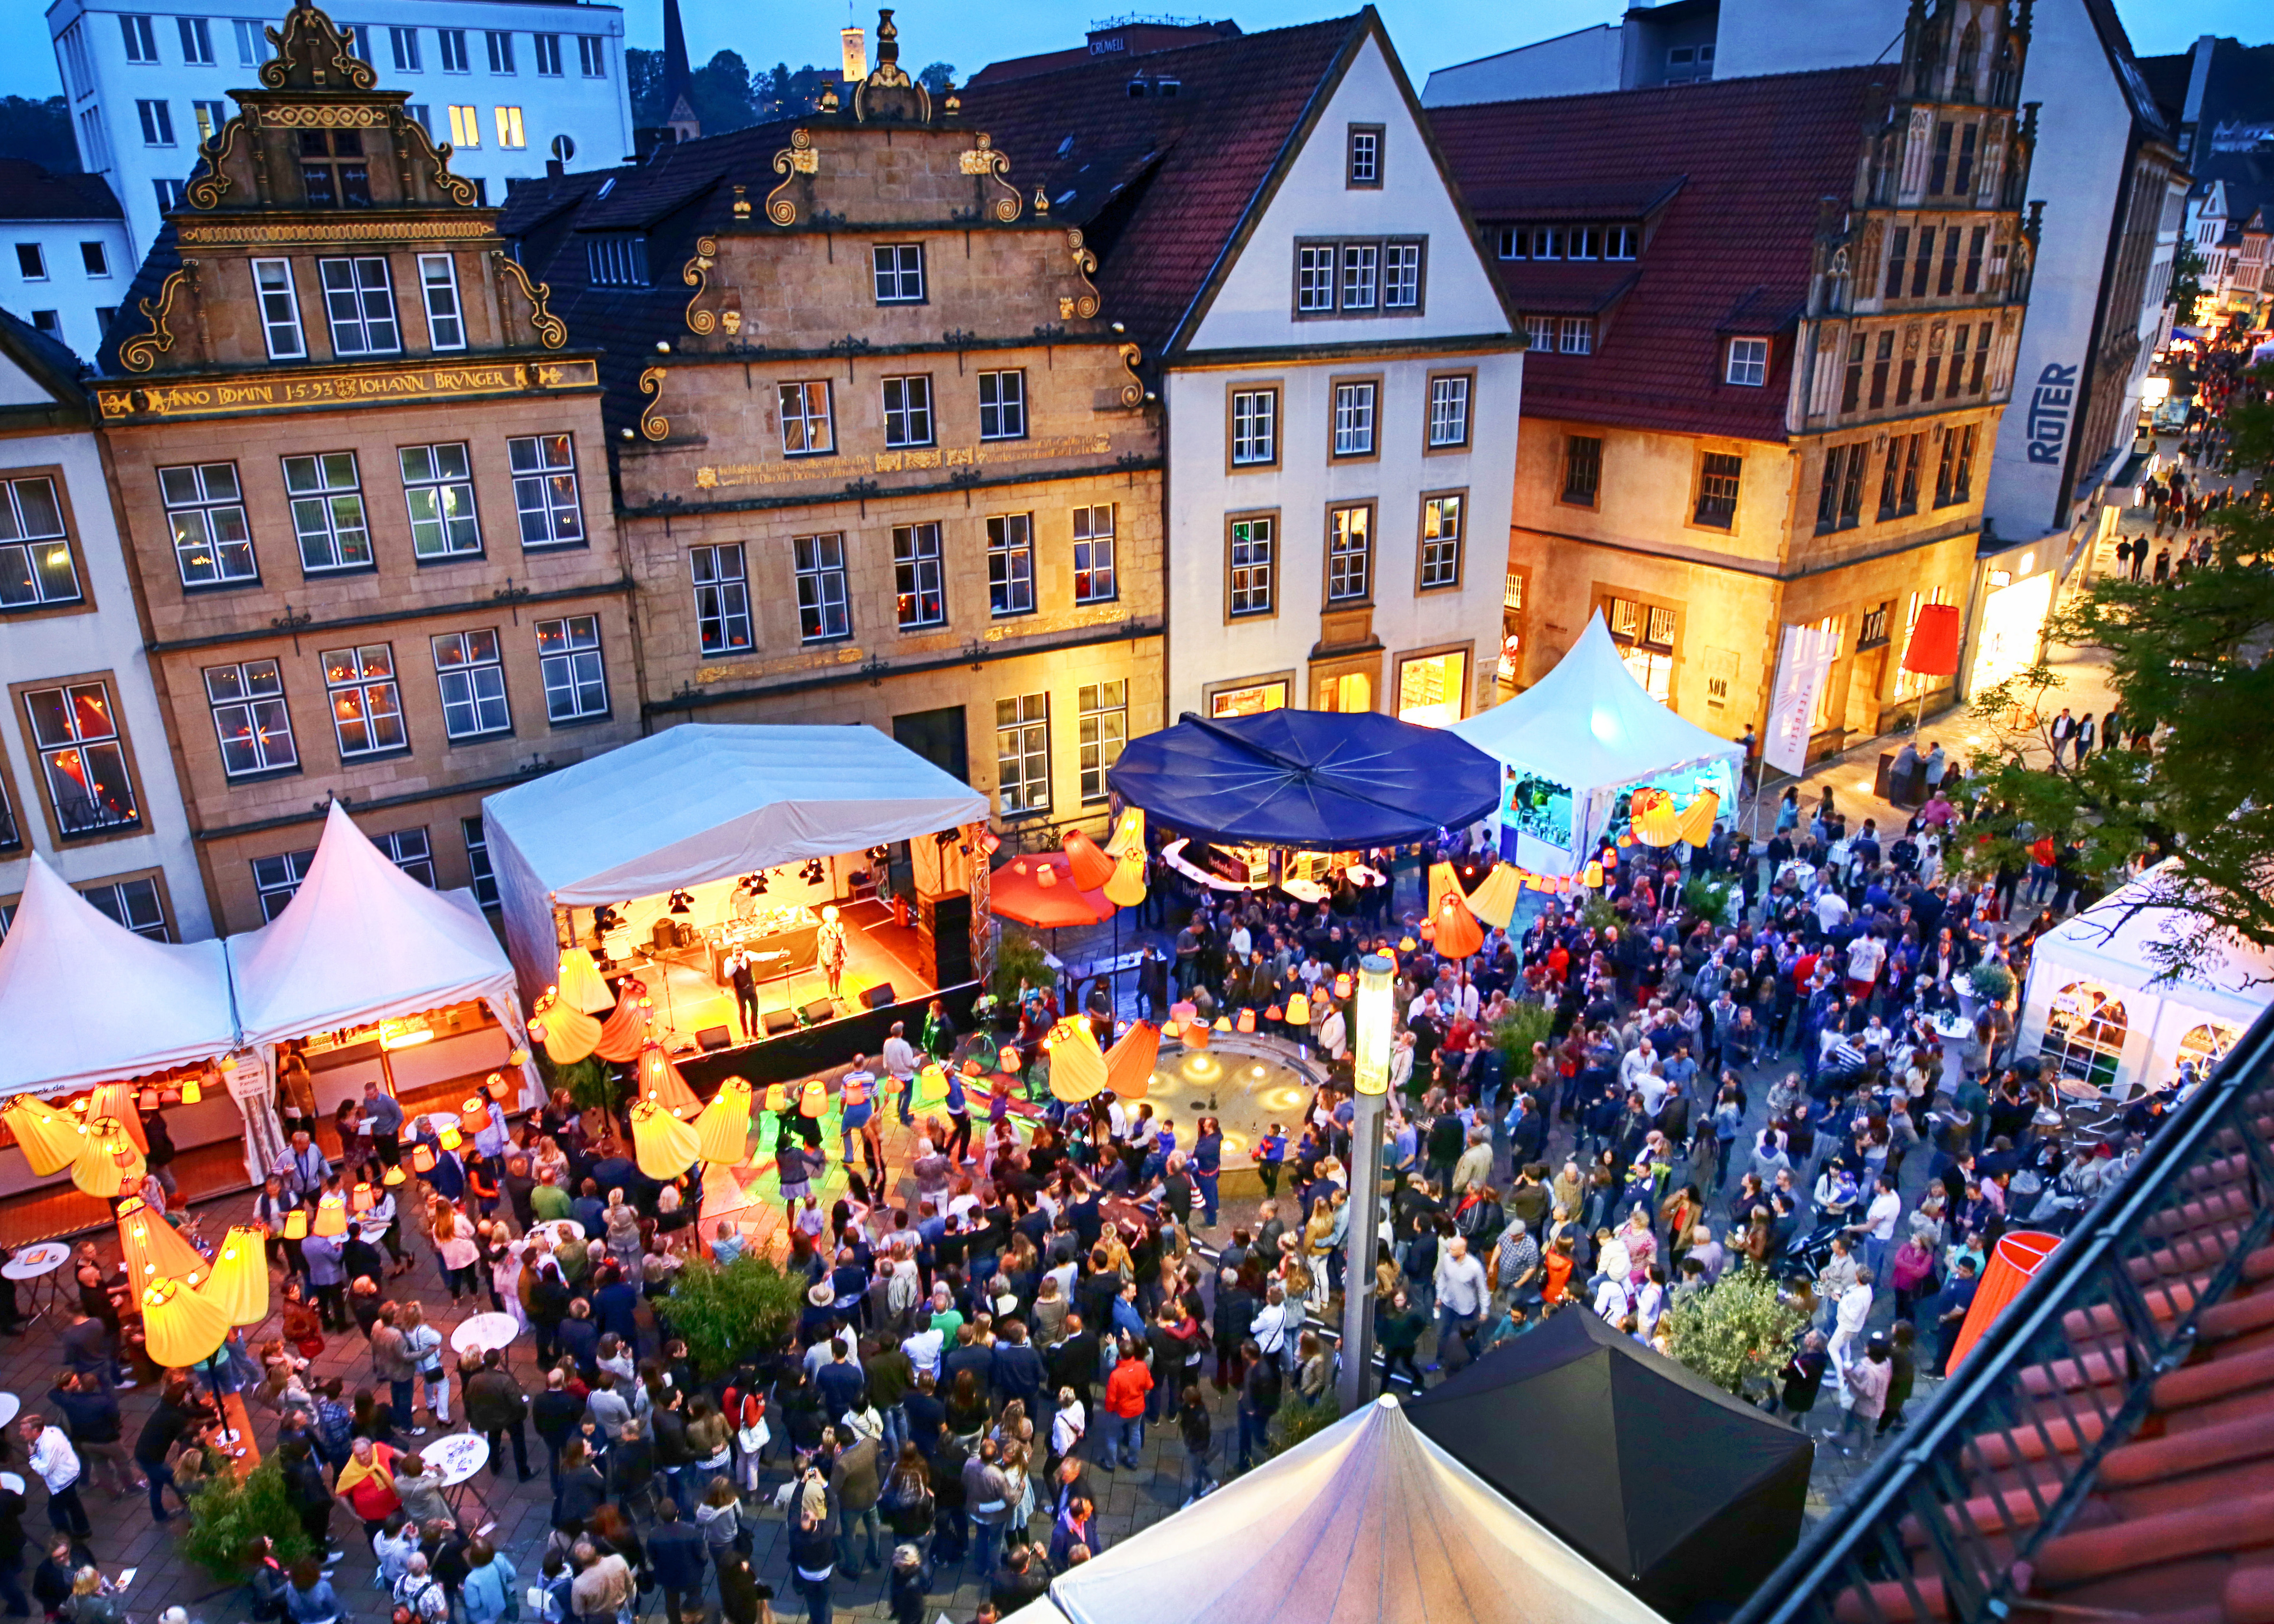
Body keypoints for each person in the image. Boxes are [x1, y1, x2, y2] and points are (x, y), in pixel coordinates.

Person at [20, 1420, 88, 1541]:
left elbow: (45, 1470)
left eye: (24, 1430)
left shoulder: (48, 1445)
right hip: (71, 1472)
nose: (20, 1433)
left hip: (63, 1481)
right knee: (72, 1502)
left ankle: (66, 1540)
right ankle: (83, 1529)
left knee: (55, 1511)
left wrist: (33, 1457)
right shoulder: (53, 1431)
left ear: (35, 1431)